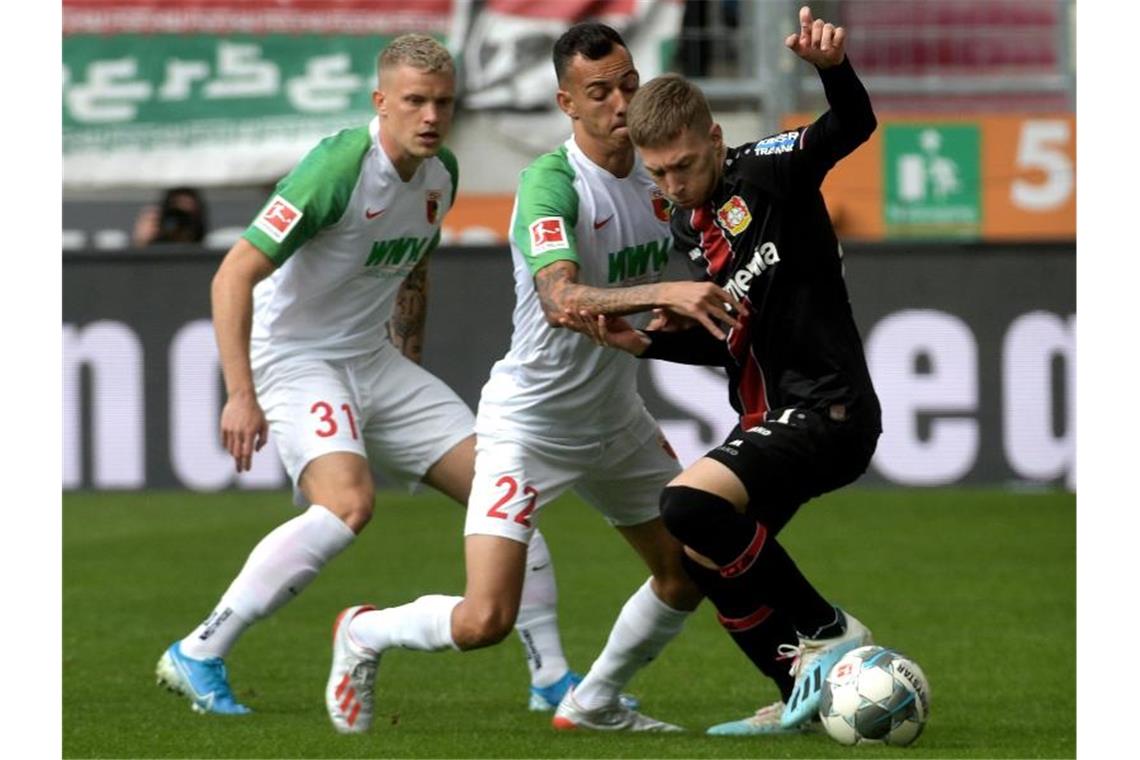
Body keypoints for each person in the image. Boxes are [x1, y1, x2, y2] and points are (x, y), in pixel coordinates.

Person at [323, 23, 743, 734]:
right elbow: (561, 300)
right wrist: (662, 295)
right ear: (567, 103)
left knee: (686, 573)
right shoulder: (552, 181)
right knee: (485, 619)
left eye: (629, 85)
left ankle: (594, 701)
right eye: (600, 93)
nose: (620, 104)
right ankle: (364, 630)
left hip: (615, 423)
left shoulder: (657, 173)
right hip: (529, 427)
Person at [155, 33, 582, 717]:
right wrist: (241, 393)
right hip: (295, 357)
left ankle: (552, 679)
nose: (431, 116)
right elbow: (234, 272)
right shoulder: (337, 167)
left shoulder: (440, 172)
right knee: (348, 503)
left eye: (442, 102)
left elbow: (411, 266)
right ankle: (200, 650)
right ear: (380, 102)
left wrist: (404, 361)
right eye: (414, 101)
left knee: (505, 486)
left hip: (373, 361)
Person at [586, 5, 881, 736]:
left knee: (685, 506)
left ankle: (830, 628)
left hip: (830, 409)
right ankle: (800, 698)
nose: (675, 183)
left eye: (685, 164)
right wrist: (644, 343)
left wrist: (832, 69)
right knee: (700, 556)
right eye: (659, 172)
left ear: (714, 139)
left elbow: (852, 127)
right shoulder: (691, 226)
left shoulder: (770, 172)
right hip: (775, 417)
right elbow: (732, 338)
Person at [132, 187, 208, 246]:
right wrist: (141, 243)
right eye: (175, 215)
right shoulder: (153, 242)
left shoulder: (210, 253)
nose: (180, 222)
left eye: (186, 218)